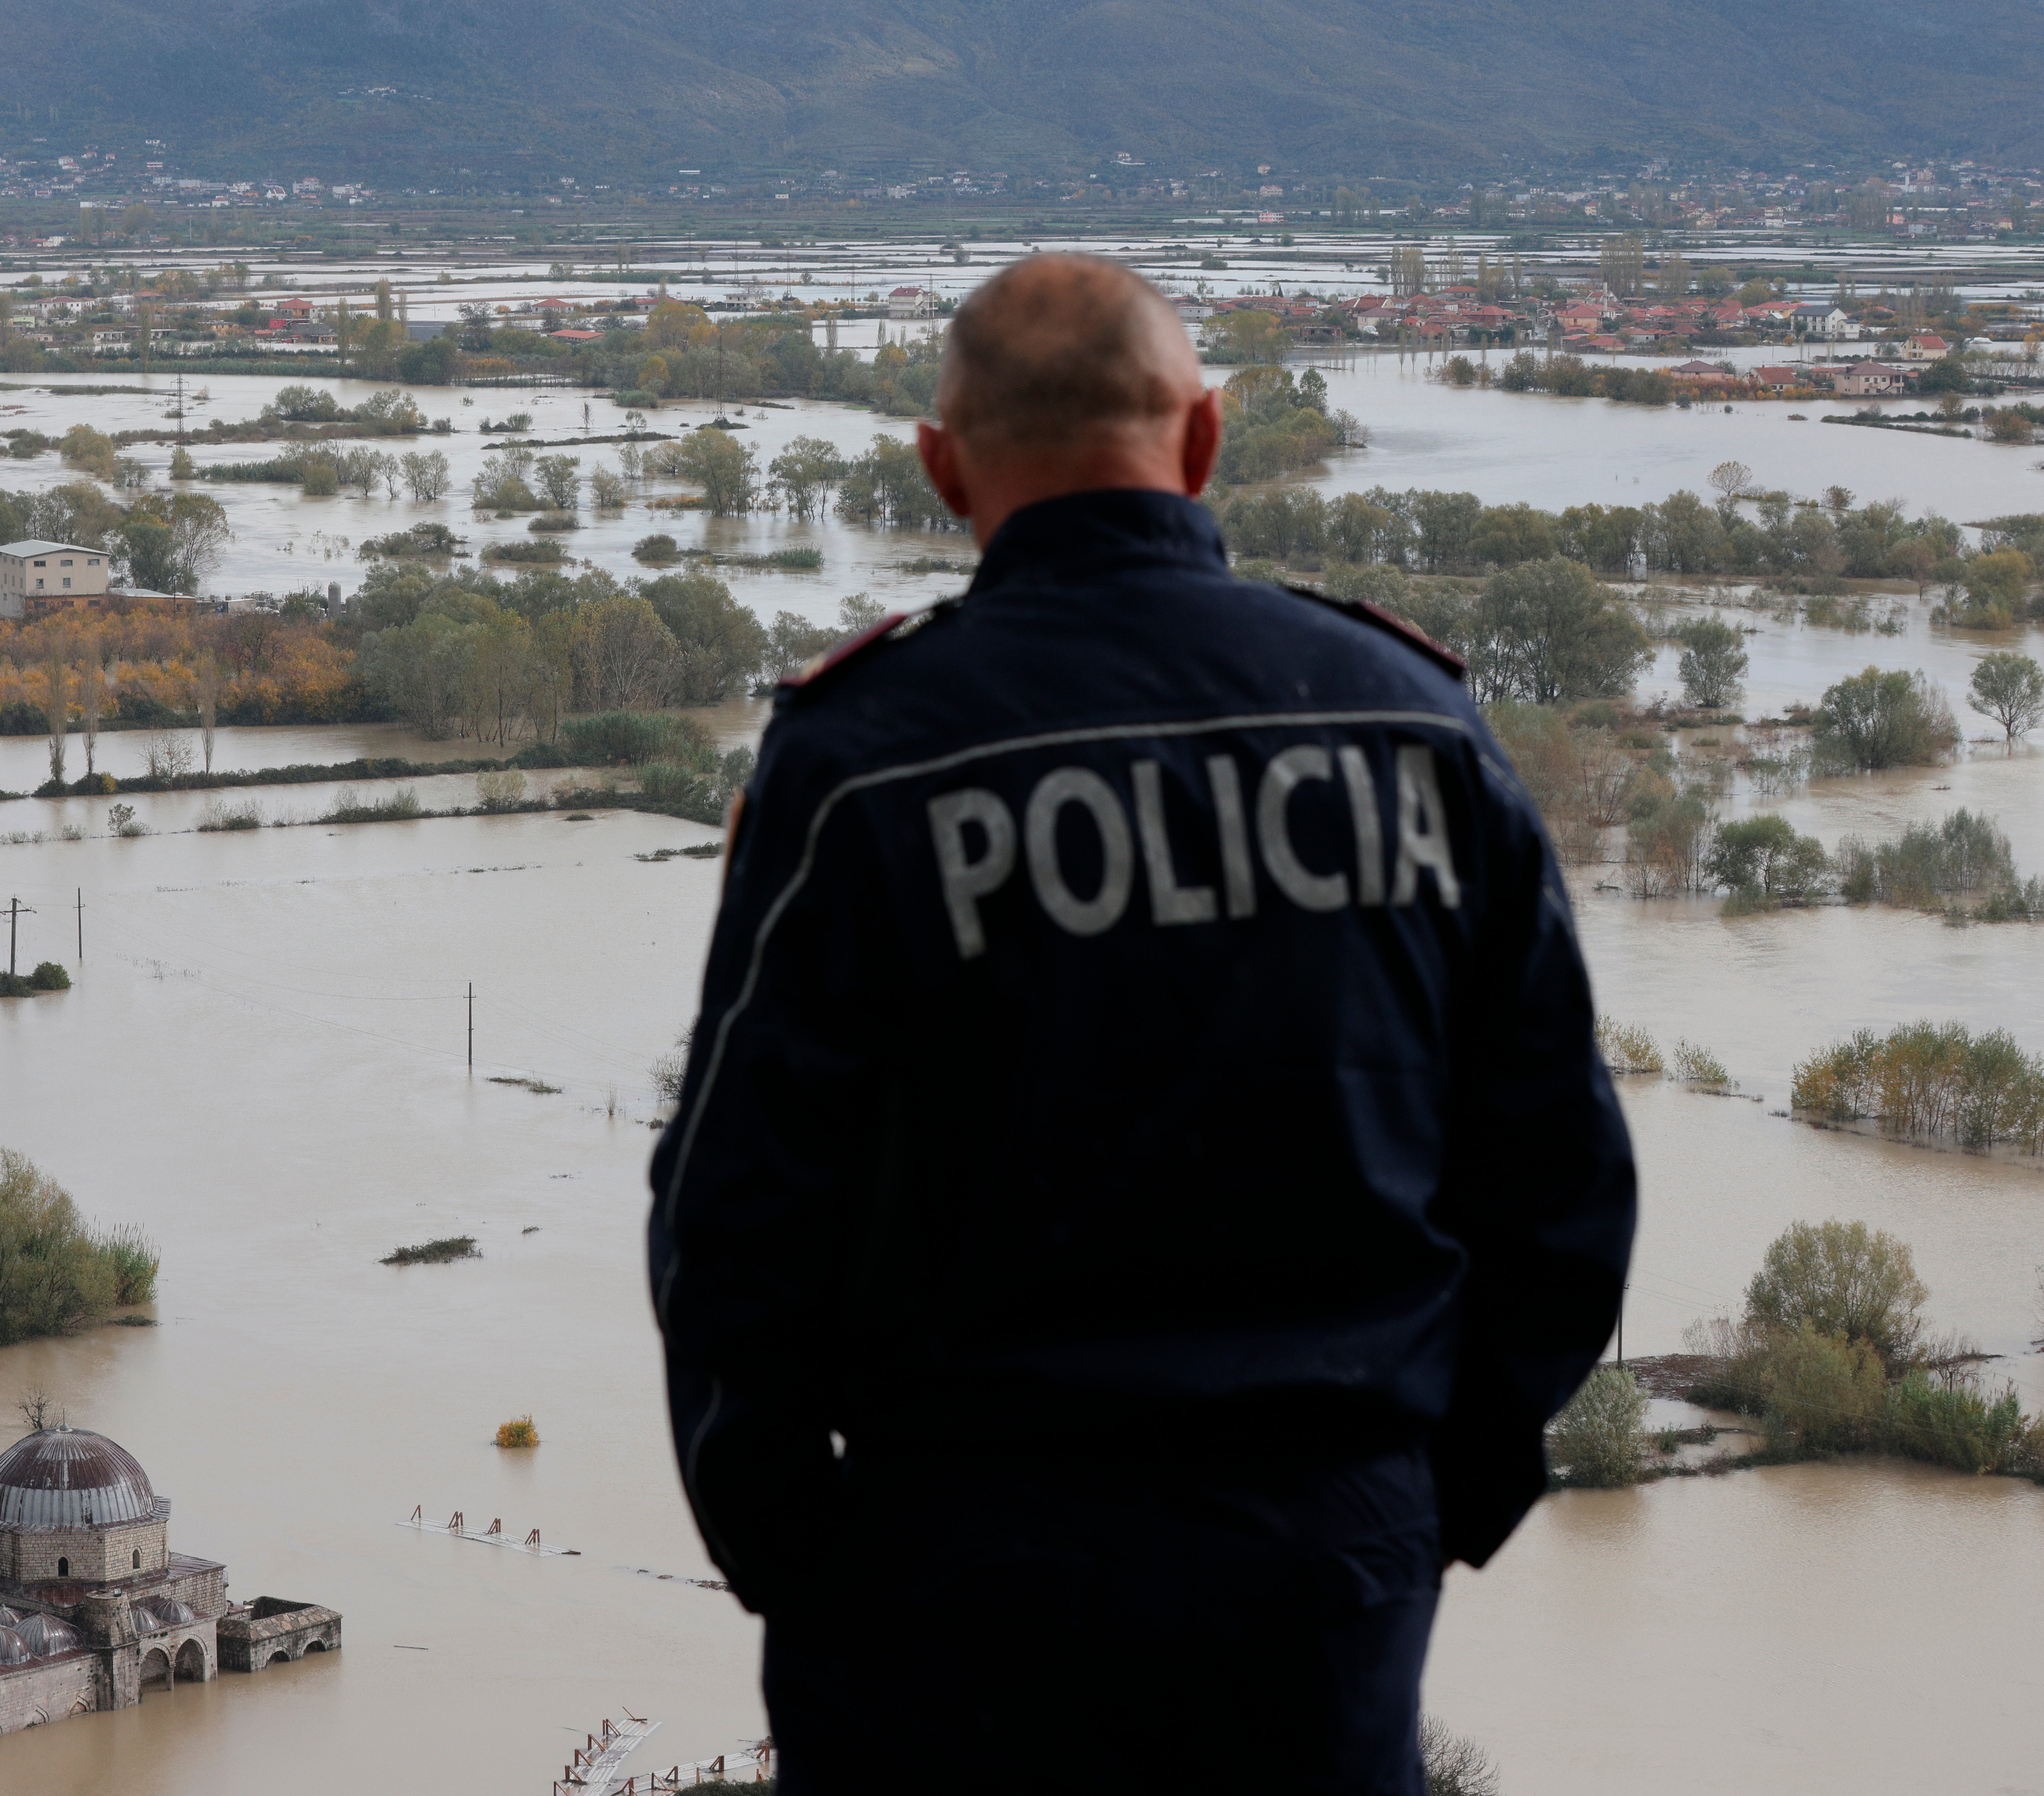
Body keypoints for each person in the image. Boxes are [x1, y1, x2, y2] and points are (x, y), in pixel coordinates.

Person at [646, 253, 1637, 1791]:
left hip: (943, 1576)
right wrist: (1425, 1500)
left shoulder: (861, 762)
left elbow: (730, 1219)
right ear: (1204, 439)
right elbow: (1563, 1186)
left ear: (941, 468)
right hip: (1318, 1573)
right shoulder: (1411, 727)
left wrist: (802, 1558)